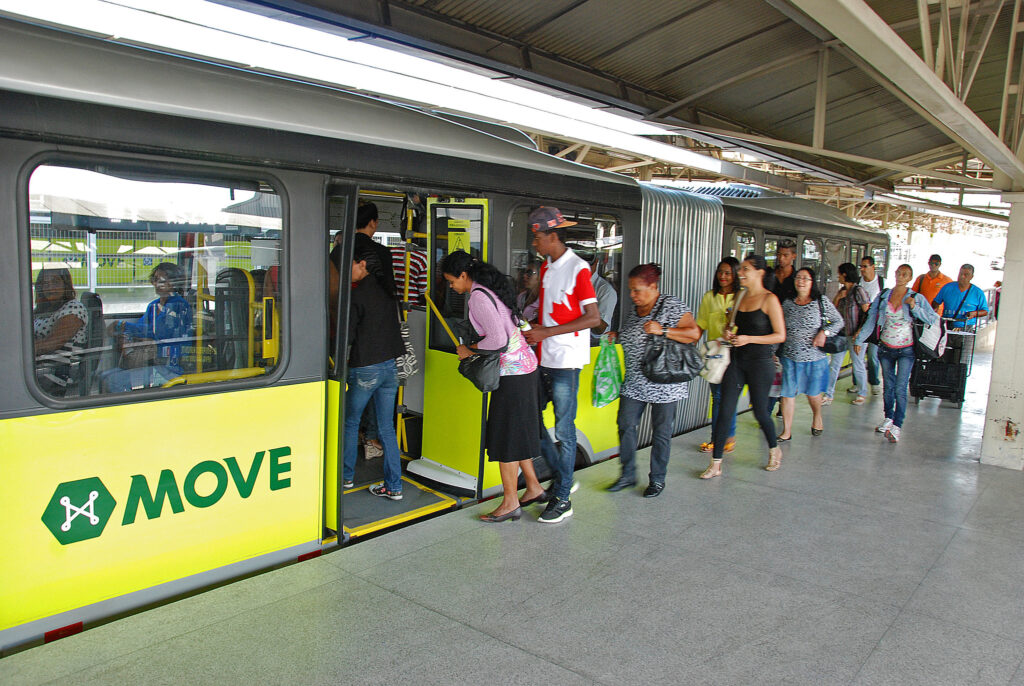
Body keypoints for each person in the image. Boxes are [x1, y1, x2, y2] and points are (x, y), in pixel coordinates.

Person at [441, 251, 545, 522]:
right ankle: (533, 487)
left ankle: (510, 501)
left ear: (464, 275)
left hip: (511, 374)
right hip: (525, 368)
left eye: (452, 281)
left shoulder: (477, 296)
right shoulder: (492, 288)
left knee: (507, 438)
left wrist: (468, 349)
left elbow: (497, 340)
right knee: (517, 434)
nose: (452, 287)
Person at [523, 206, 601, 523]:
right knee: (532, 420)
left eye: (537, 238)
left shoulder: (577, 269)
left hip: (567, 362)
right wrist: (531, 328)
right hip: (544, 357)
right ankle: (561, 475)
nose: (535, 245)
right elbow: (548, 311)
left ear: (552, 236)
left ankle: (563, 498)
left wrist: (546, 332)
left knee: (566, 432)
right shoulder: (547, 268)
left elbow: (593, 318)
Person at [606, 263, 700, 497]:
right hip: (635, 382)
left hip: (665, 383)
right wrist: (617, 335)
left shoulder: (671, 305)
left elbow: (694, 333)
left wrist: (664, 331)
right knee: (625, 424)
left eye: (637, 290)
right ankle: (627, 474)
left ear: (653, 286)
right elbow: (633, 333)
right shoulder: (635, 309)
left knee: (661, 432)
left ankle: (657, 479)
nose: (632, 295)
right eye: (630, 290)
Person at [703, 255, 786, 478]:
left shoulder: (770, 300)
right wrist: (728, 333)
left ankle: (774, 449)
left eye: (746, 269)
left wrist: (750, 338)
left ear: (759, 273)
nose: (741, 273)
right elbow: (730, 327)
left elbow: (780, 335)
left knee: (760, 411)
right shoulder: (739, 296)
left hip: (760, 363)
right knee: (725, 411)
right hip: (737, 361)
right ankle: (716, 463)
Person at [343, 241, 406, 499]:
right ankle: (395, 487)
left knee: (350, 423)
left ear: (363, 264)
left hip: (365, 367)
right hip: (390, 367)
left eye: (351, 266)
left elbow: (347, 335)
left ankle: (346, 477)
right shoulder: (387, 292)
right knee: (386, 428)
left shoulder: (356, 296)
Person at [854, 264, 939, 443]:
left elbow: (931, 318)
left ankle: (897, 425)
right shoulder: (884, 295)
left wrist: (914, 307)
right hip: (885, 347)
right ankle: (888, 417)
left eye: (905, 274)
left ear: (910, 278)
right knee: (889, 386)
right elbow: (872, 318)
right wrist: (860, 340)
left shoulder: (916, 297)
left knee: (900, 387)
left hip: (907, 349)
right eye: (899, 273)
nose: (901, 276)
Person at [100, 262, 192, 393]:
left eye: (161, 280)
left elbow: (156, 332)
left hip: (169, 365)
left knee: (114, 381)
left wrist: (122, 325)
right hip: (152, 361)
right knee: (104, 376)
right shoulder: (153, 306)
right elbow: (141, 327)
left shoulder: (178, 305)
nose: (156, 284)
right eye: (155, 279)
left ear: (173, 283)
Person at [777, 267, 843, 441]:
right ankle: (786, 431)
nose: (801, 281)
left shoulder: (821, 302)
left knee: (813, 394)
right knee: (787, 394)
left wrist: (824, 333)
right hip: (790, 356)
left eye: (805, 278)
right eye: (798, 277)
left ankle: (817, 417)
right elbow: (779, 327)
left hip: (814, 358)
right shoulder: (788, 303)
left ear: (812, 282)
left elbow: (838, 321)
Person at [694, 257, 740, 455]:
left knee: (726, 397)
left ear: (736, 275)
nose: (723, 276)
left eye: (728, 273)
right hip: (715, 356)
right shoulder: (709, 297)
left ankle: (721, 439)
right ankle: (724, 438)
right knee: (718, 397)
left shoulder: (741, 297)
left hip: (737, 353)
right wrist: (688, 344)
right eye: (720, 272)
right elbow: (700, 325)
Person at [33, 268, 89, 396]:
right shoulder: (42, 309)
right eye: (45, 284)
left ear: (66, 285)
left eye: (55, 282)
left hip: (58, 369)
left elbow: (53, 343)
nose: (50, 287)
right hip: (40, 365)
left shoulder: (73, 308)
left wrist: (19, 352)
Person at [824, 262, 871, 406]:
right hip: (841, 334)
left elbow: (867, 313)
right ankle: (828, 394)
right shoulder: (842, 291)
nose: (838, 277)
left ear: (845, 274)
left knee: (858, 363)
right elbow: (832, 310)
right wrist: (839, 297)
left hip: (856, 336)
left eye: (839, 274)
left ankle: (862, 392)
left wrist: (860, 334)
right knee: (834, 365)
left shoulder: (859, 291)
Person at [354, 202, 398, 297]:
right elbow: (388, 287)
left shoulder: (340, 249)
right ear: (372, 223)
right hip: (371, 304)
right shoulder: (382, 251)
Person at [930, 264, 989, 329]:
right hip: (946, 325)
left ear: (971, 277)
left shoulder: (977, 292)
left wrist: (974, 313)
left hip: (966, 327)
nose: (962, 276)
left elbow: (985, 311)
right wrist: (935, 307)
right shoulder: (947, 287)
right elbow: (936, 301)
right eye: (961, 273)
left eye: (966, 274)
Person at [859, 255, 884, 395]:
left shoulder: (880, 282)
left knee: (872, 354)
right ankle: (858, 383)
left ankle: (874, 382)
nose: (862, 269)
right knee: (859, 355)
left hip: (875, 324)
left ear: (873, 267)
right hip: (861, 322)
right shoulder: (859, 282)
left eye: (865, 266)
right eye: (861, 267)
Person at [587, 252, 618, 344]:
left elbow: (600, 329)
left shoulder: (606, 290)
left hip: (594, 345)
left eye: (588, 264)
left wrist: (586, 306)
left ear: (596, 262)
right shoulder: (572, 285)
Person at [516, 258, 543, 324]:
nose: (524, 276)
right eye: (524, 272)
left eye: (529, 273)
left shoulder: (545, 301)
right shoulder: (521, 297)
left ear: (540, 275)